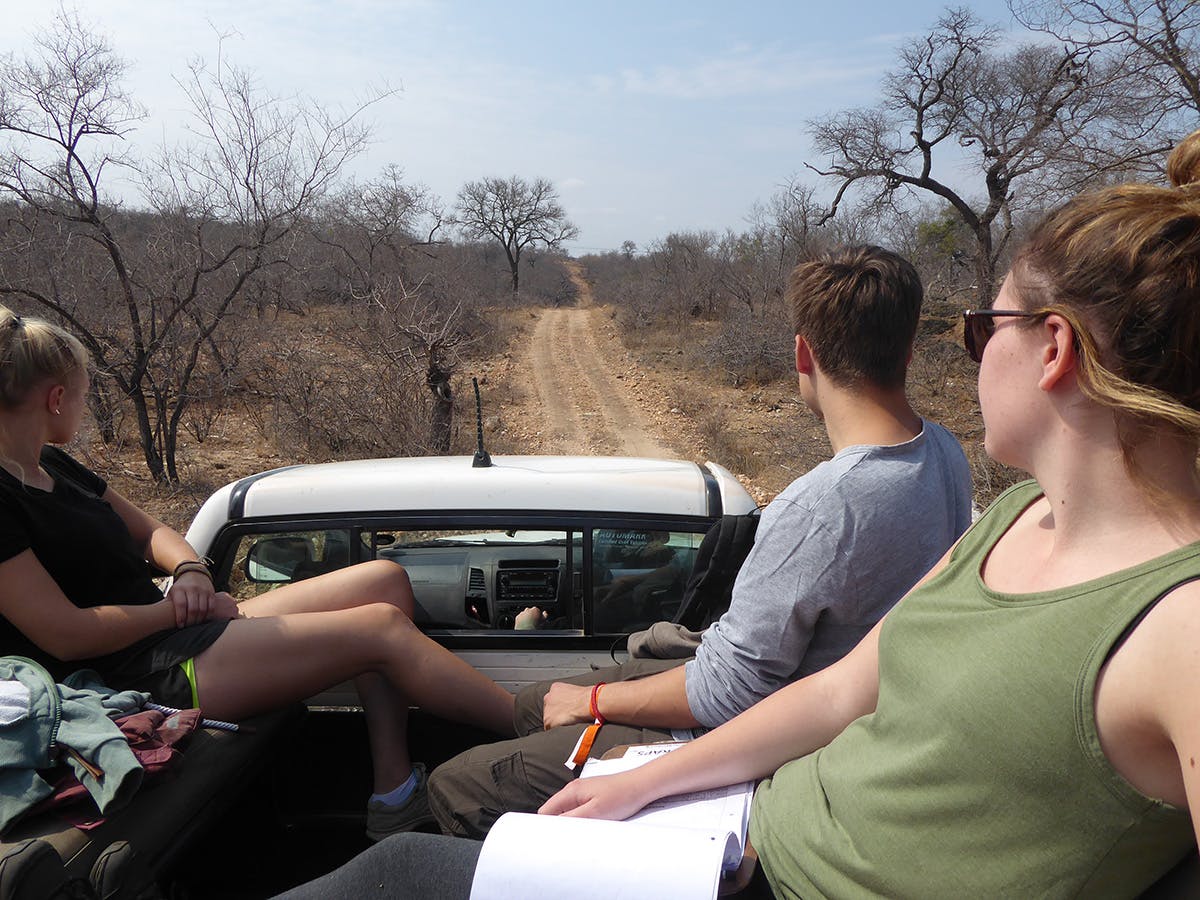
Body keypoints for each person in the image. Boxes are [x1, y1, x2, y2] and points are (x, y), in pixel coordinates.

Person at [278, 131, 1200, 900]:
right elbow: (841, 691)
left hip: (761, 867)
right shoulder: (1013, 512)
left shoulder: (1181, 624)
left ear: (1051, 350)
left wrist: (601, 712)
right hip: (746, 828)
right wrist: (651, 782)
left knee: (409, 859)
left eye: (980, 329)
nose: (969, 357)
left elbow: (728, 693)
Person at [425, 244, 974, 839]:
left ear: (803, 354)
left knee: (455, 787)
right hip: (825, 711)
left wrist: (595, 703)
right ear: (909, 351)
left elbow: (727, 693)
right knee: (535, 704)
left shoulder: (820, 507)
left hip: (755, 742)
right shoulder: (944, 450)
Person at [0, 307, 516, 842]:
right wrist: (175, 609)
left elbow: (152, 531)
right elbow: (64, 634)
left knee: (383, 578)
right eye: (82, 394)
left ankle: (392, 795)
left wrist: (191, 568)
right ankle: (543, 724)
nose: (84, 407)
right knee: (380, 628)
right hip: (132, 678)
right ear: (55, 398)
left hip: (173, 634)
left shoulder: (54, 466)